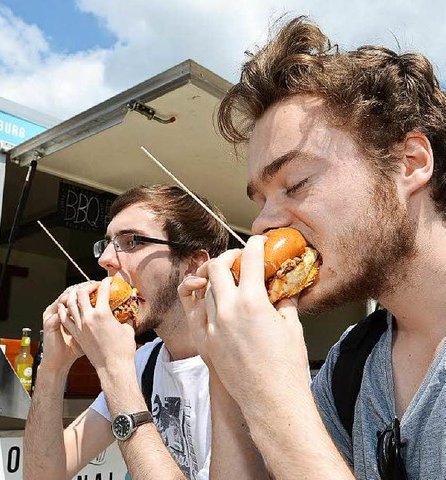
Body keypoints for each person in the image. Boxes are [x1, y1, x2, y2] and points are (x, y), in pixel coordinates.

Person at [178, 15, 446, 480]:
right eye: (260, 201)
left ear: (409, 163)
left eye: (295, 183)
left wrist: (272, 397)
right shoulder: (353, 362)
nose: (261, 225)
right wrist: (227, 370)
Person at [23, 185, 265, 480]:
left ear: (193, 264)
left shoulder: (249, 363)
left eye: (131, 241)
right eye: (109, 243)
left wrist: (113, 368)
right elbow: (44, 475)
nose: (106, 260)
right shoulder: (146, 361)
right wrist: (52, 368)